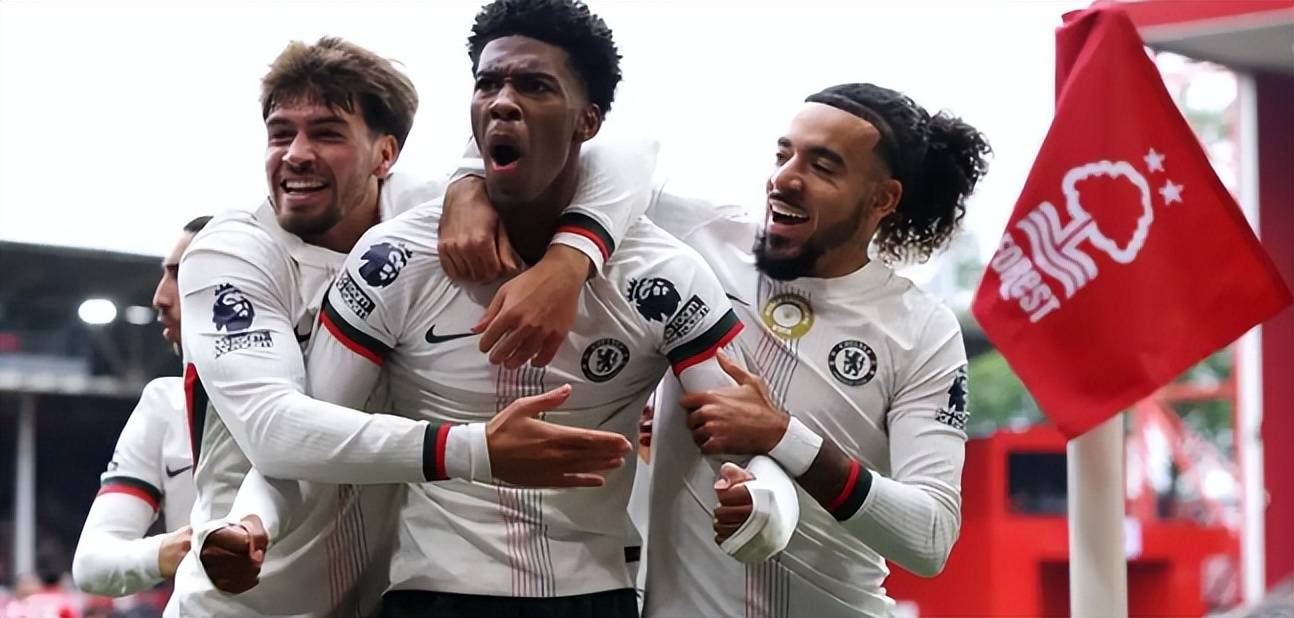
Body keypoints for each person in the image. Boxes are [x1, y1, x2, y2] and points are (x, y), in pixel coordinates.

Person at [227, 1, 797, 615]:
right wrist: (248, 521)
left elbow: (748, 447)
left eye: (534, 86)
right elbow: (309, 433)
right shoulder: (394, 257)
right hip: (432, 596)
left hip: (593, 597)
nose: (502, 102)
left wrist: (764, 504)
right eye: (487, 84)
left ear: (587, 121)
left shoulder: (663, 272)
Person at [449, 82, 990, 616]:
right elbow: (613, 150)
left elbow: (929, 537)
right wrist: (467, 184)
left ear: (882, 199)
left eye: (823, 167)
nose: (785, 179)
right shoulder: (706, 238)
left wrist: (783, 437)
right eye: (783, 154)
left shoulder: (923, 329)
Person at [169, 35, 641, 617]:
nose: (296, 154)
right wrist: (474, 450)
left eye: (326, 133)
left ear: (385, 155)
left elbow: (630, 152)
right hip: (246, 598)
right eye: (280, 134)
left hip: (375, 599)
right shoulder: (233, 253)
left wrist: (569, 256)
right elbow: (274, 431)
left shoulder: (418, 220)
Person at [71, 217, 209, 598]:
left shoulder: (318, 389)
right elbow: (92, 563)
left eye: (180, 275)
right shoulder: (164, 404)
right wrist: (191, 547)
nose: (159, 297)